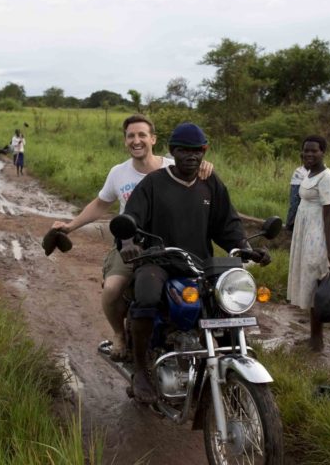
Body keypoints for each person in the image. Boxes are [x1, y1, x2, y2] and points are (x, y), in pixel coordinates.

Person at [117, 122, 270, 403]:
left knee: (227, 303)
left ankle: (230, 370)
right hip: (158, 260)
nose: (191, 157)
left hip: (199, 263)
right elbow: (132, 219)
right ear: (172, 151)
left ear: (204, 152)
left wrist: (246, 248)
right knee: (147, 297)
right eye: (184, 151)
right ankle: (140, 369)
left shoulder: (210, 183)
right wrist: (128, 243)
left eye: (197, 151)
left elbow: (227, 224)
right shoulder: (153, 183)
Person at [49, 114, 212, 363]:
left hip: (173, 244)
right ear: (125, 141)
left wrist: (205, 166)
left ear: (153, 139)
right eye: (131, 136)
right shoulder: (119, 173)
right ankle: (119, 334)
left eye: (142, 135)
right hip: (131, 245)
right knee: (113, 289)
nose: (136, 141)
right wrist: (71, 226)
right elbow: (101, 204)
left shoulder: (173, 166)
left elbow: (198, 173)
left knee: (209, 291)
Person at [287, 136, 330, 352]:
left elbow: (329, 217)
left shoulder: (328, 178)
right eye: (305, 151)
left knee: (317, 286)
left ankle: (317, 340)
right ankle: (313, 337)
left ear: (323, 152)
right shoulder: (308, 174)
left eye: (314, 151)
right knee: (310, 286)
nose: (309, 155)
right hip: (306, 233)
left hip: (319, 237)